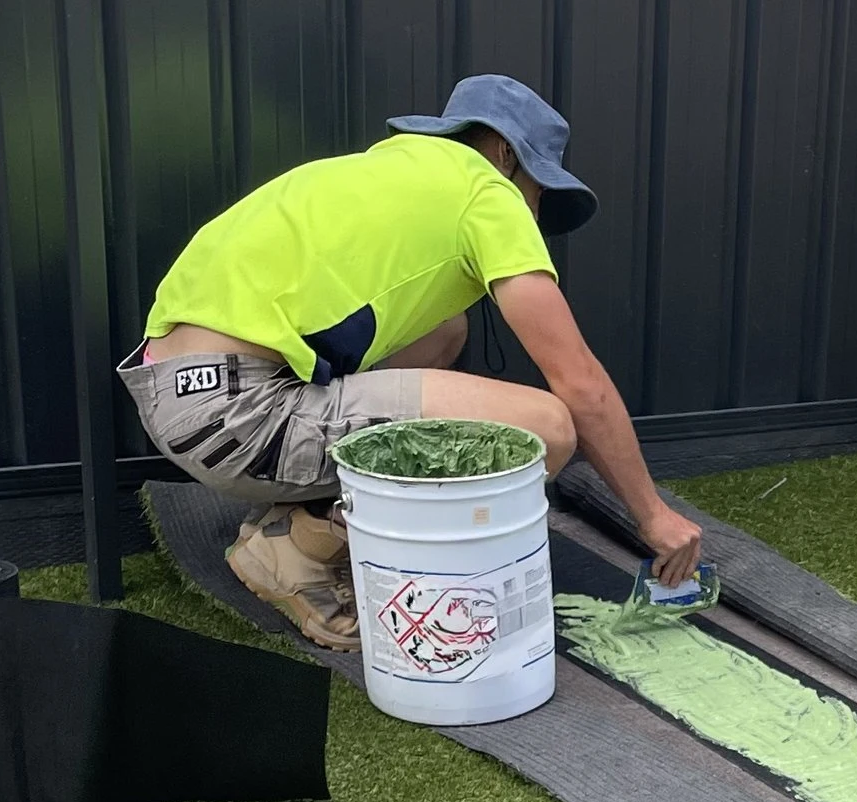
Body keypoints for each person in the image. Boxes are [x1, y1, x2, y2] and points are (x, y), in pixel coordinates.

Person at [121, 74, 702, 648]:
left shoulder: (378, 171)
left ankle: (305, 512)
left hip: (180, 394)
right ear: (503, 153)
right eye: (539, 187)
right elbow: (579, 382)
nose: (536, 209)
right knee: (545, 430)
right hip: (242, 418)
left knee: (444, 330)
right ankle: (299, 550)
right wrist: (653, 516)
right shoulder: (487, 193)